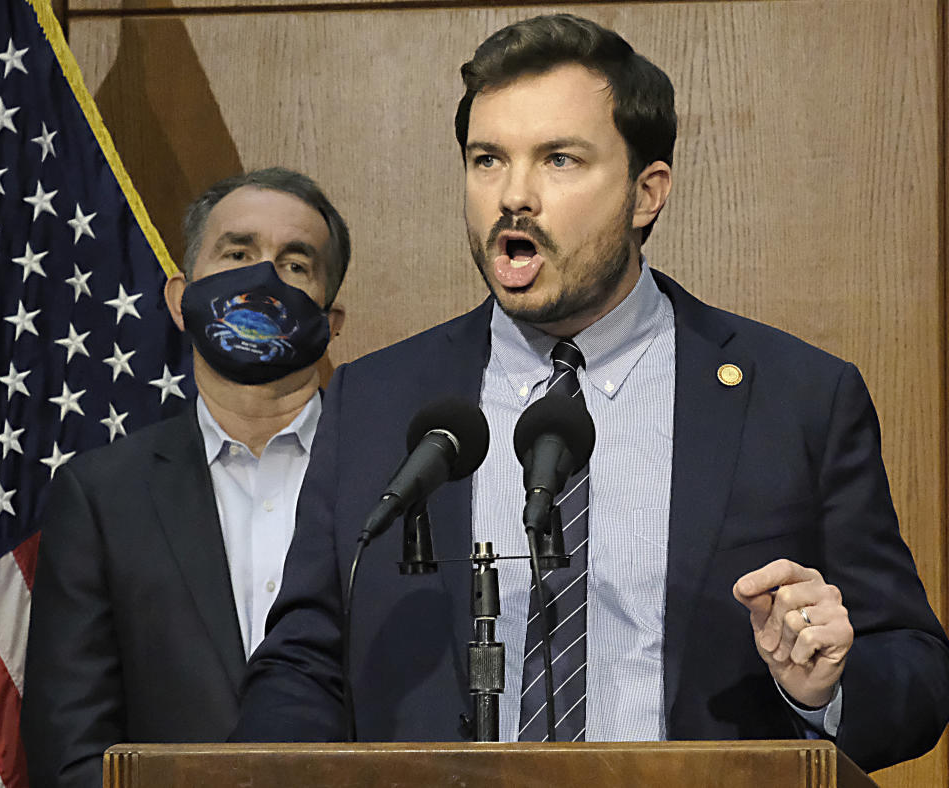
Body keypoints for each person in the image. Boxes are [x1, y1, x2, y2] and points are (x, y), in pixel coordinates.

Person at [232, 16, 949, 773]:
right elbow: (302, 664)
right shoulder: (375, 400)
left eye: (559, 160)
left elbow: (915, 671)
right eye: (487, 160)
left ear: (647, 192)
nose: (513, 196)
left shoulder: (798, 397)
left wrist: (823, 692)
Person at [21, 167, 350, 788]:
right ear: (180, 300)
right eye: (237, 253)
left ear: (330, 322)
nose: (263, 279)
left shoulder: (395, 475)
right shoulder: (100, 495)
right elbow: (70, 745)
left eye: (296, 264)